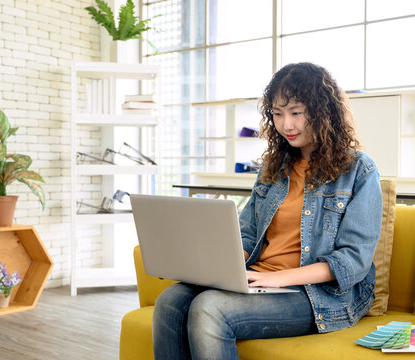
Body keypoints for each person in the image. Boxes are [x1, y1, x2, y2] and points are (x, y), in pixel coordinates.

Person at [152, 62, 383, 360]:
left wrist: (278, 279)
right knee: (170, 301)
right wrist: (221, 264)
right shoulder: (274, 168)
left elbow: (352, 262)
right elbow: (248, 235)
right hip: (259, 280)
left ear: (323, 111)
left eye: (296, 113)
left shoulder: (359, 170)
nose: (287, 125)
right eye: (277, 114)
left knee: (210, 308)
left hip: (316, 295)